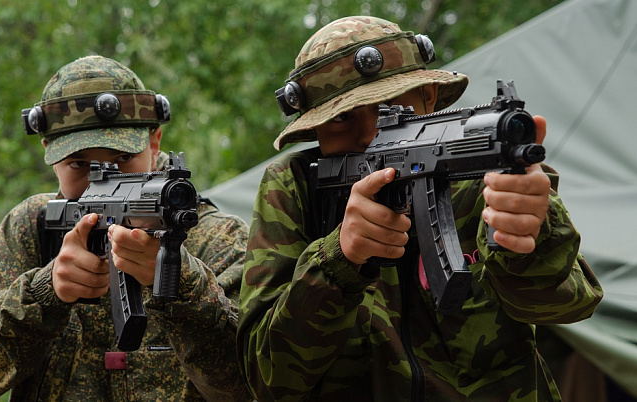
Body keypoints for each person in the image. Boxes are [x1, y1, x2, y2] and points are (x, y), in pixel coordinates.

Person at [237, 16, 604, 401]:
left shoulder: (485, 171)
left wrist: (529, 236)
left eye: (389, 107)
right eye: (342, 118)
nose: (368, 135)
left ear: (428, 96)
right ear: (316, 131)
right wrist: (338, 261)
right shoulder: (294, 187)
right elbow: (269, 379)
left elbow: (564, 306)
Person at [0, 55, 252, 401]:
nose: (102, 179)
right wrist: (43, 294)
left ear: (154, 141)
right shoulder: (33, 226)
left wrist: (185, 287)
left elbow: (250, 384)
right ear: (49, 154)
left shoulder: (218, 239)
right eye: (79, 164)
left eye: (122, 159)